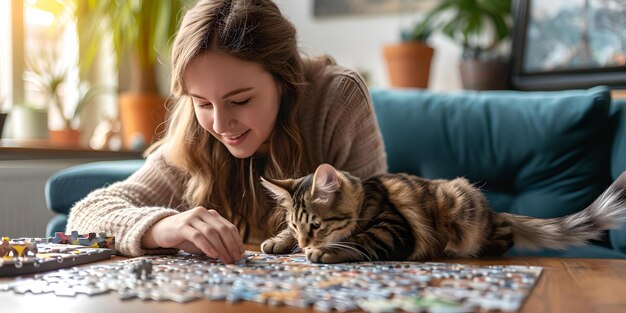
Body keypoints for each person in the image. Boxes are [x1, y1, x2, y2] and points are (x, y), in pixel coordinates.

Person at [66, 0, 387, 264]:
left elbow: (372, 228)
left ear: (283, 80)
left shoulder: (338, 98)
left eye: (240, 100)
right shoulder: (194, 131)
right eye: (203, 103)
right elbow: (84, 216)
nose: (219, 125)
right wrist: (162, 226)